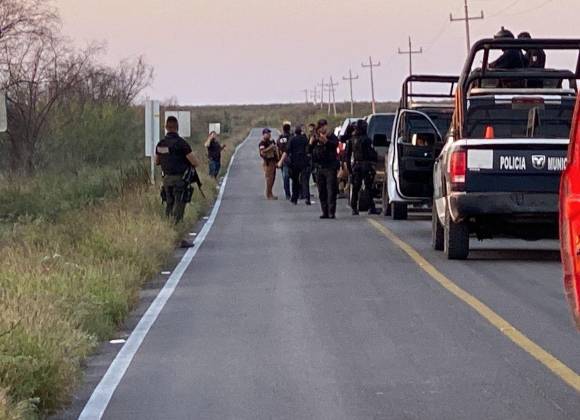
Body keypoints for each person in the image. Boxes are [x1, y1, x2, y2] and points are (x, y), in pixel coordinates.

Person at [155, 116, 200, 247]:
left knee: (169, 207)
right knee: (178, 210)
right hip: (180, 180)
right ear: (177, 127)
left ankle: (167, 237)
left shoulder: (161, 144)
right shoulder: (182, 144)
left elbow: (157, 161)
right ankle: (177, 240)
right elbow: (195, 162)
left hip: (166, 180)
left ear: (166, 127)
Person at [346, 119, 379, 216]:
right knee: (368, 187)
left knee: (356, 187)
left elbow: (347, 156)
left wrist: (350, 169)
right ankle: (371, 207)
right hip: (366, 165)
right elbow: (372, 154)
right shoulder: (366, 139)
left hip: (356, 165)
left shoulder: (352, 140)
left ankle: (354, 208)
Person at [309, 119, 339, 219]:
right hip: (319, 168)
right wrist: (311, 143)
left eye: (323, 126)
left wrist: (326, 141)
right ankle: (324, 211)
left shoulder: (331, 136)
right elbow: (308, 151)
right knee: (322, 191)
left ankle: (331, 212)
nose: (322, 129)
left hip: (330, 167)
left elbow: (335, 144)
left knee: (331, 191)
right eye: (320, 127)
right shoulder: (315, 138)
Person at [278, 125, 311, 205]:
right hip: (304, 161)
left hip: (294, 162)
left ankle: (294, 198)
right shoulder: (304, 139)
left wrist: (281, 161)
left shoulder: (292, 139)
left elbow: (286, 151)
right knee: (305, 181)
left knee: (295, 181)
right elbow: (308, 149)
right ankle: (307, 198)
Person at [259, 128, 279, 200]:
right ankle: (268, 194)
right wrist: (270, 147)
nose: (269, 135)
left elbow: (276, 149)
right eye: (267, 133)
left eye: (269, 133)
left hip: (273, 161)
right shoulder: (262, 143)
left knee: (273, 178)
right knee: (269, 178)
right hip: (268, 162)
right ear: (263, 134)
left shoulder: (271, 141)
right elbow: (262, 152)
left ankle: (270, 193)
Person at [277, 122, 293, 200]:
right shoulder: (293, 137)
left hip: (284, 160)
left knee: (285, 178)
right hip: (293, 159)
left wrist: (279, 159)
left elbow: (279, 148)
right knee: (295, 177)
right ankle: (297, 193)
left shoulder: (280, 138)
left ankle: (288, 194)